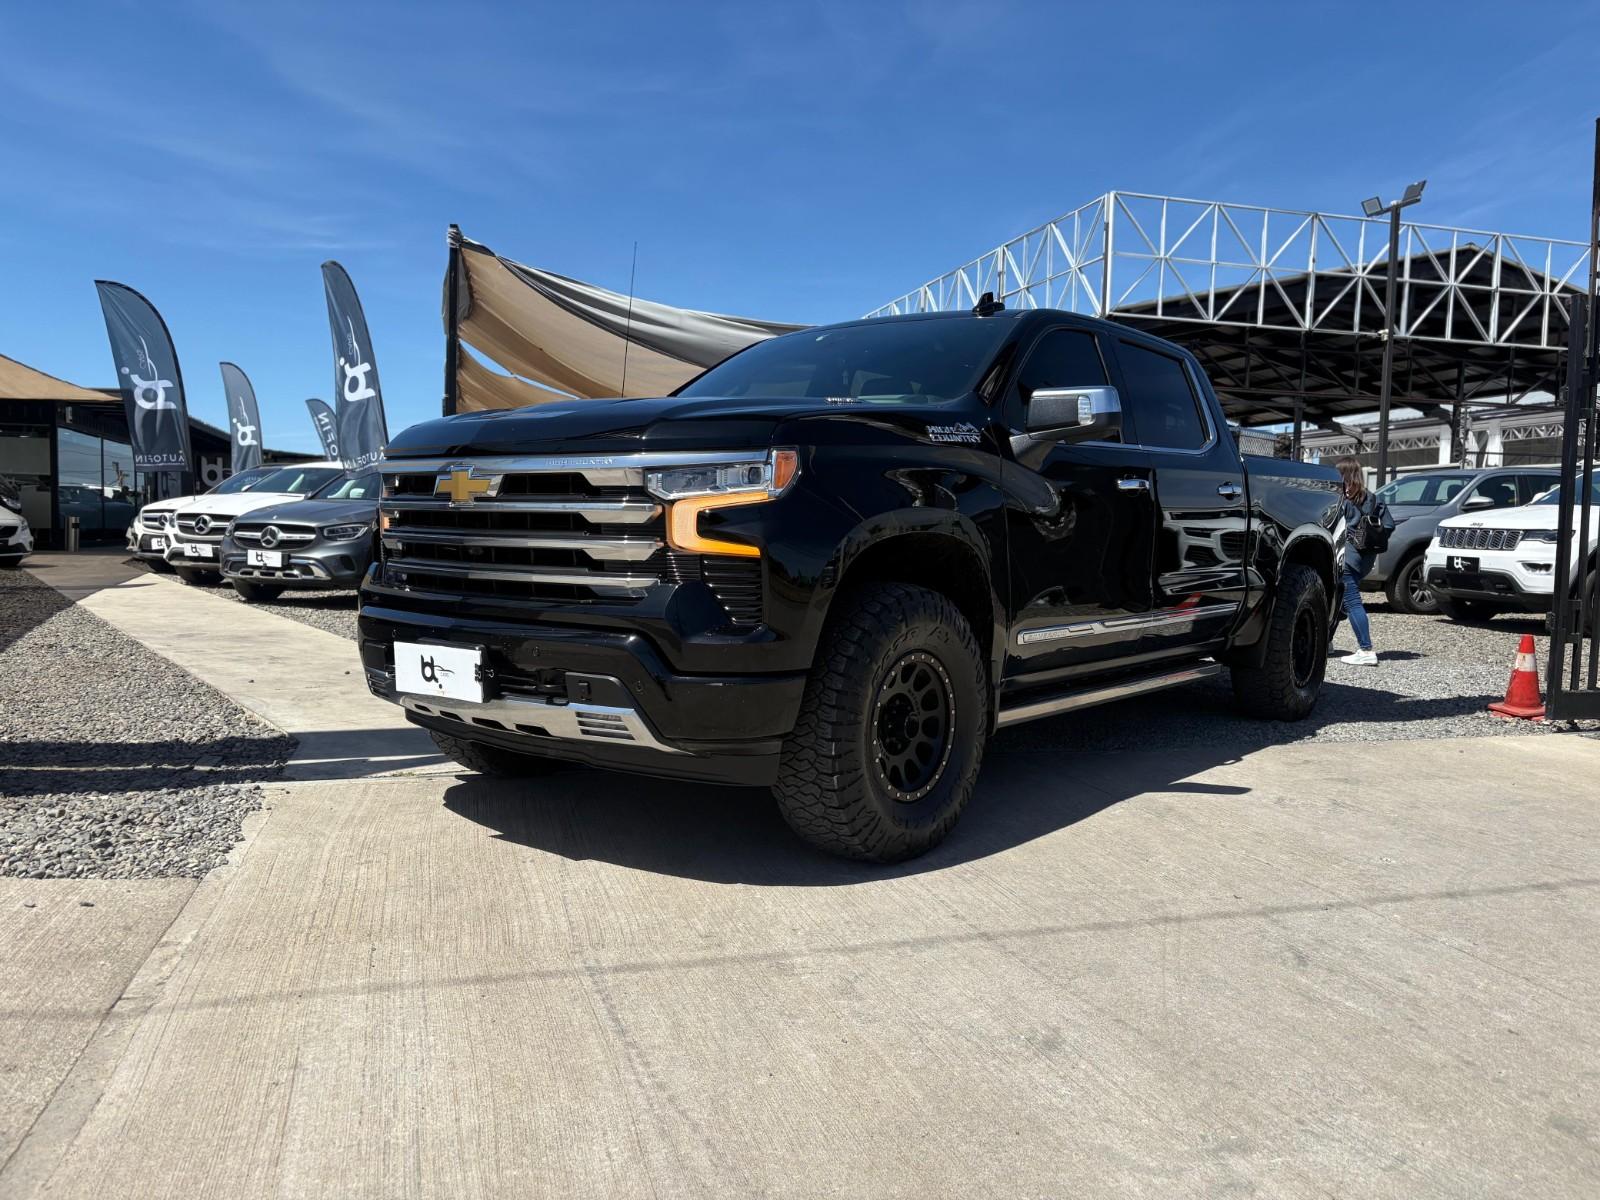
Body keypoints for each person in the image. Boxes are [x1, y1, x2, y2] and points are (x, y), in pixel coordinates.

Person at [1334, 456, 1393, 666]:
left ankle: (1366, 650)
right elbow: (1389, 526)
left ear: (1342, 475)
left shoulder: (1342, 500)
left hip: (1346, 558)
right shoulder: (1374, 499)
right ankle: (1327, 641)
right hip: (1366, 559)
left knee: (1351, 602)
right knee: (1338, 599)